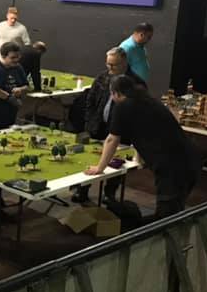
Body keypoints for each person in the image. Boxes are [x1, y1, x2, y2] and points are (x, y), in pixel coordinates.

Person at [85, 75, 199, 220]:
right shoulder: (149, 101)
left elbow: (112, 139)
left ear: (116, 93)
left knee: (166, 219)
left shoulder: (123, 106)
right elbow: (143, 131)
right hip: (190, 160)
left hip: (173, 168)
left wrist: (99, 168)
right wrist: (138, 159)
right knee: (174, 212)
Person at [72, 47, 146, 203]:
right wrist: (89, 122)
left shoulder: (136, 83)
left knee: (117, 162)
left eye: (114, 65)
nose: (110, 68)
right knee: (89, 157)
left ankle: (109, 194)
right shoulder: (102, 77)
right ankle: (82, 190)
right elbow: (90, 100)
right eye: (108, 64)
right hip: (97, 126)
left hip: (121, 131)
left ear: (124, 62)